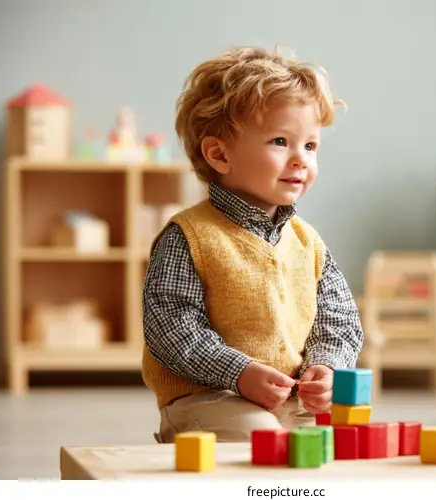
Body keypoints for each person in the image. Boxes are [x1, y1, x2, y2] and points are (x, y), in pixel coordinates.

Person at [141, 46, 364, 443]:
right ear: (219, 154)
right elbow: (172, 328)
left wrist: (327, 367)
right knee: (261, 439)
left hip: (288, 399)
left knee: (344, 439)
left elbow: (339, 319)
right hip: (209, 397)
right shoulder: (189, 236)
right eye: (281, 141)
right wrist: (238, 371)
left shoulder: (307, 242)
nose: (301, 159)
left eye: (310, 146)